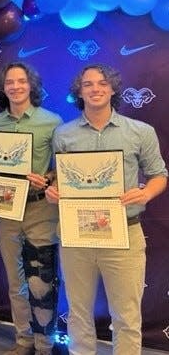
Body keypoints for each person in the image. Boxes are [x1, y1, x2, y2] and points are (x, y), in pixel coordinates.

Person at [46, 64, 167, 355]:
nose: (95, 88)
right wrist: (53, 191)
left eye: (102, 83)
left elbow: (159, 175)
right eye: (88, 84)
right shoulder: (64, 134)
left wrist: (145, 193)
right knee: (77, 312)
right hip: (77, 237)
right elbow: (60, 177)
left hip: (124, 236)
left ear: (113, 89)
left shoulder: (140, 132)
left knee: (126, 316)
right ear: (79, 92)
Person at [0, 62, 63, 355]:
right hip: (6, 209)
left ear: (31, 85)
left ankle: (45, 345)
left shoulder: (52, 121)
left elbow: (61, 170)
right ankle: (24, 341)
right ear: (3, 88)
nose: (15, 86)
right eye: (10, 82)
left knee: (42, 282)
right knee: (16, 280)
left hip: (40, 210)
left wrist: (48, 178)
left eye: (21, 81)